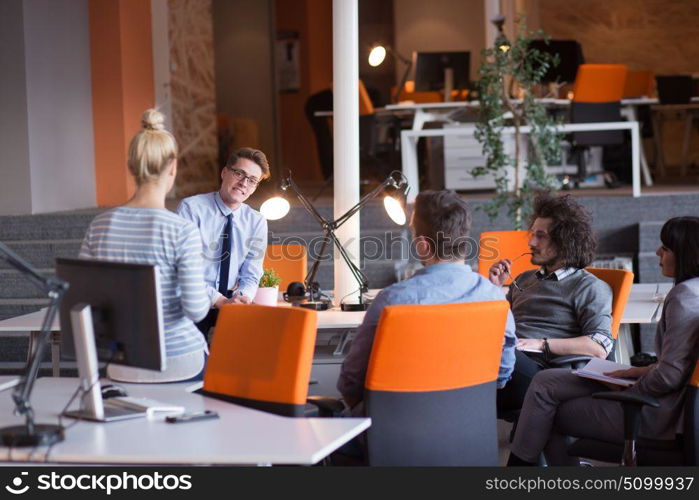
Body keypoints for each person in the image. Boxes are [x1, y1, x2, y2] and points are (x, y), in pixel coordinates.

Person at [508, 216, 699, 466]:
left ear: (686, 254)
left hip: (657, 411)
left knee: (544, 411)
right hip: (662, 393)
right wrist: (637, 370)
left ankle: (519, 471)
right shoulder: (693, 290)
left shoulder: (684, 297)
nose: (657, 252)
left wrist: (629, 388)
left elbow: (670, 375)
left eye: (666, 247)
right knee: (544, 382)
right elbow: (679, 364)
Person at [338, 190, 517, 411]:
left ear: (423, 245)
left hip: (392, 430)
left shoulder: (392, 300)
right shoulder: (494, 299)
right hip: (469, 428)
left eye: (413, 232)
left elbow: (351, 381)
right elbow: (502, 374)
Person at [79, 109, 209, 383]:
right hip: (180, 362)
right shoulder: (182, 230)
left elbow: (85, 302)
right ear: (172, 167)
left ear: (131, 167)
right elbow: (196, 310)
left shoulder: (99, 226)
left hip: (123, 364)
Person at [490, 194, 613, 411]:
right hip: (509, 358)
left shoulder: (589, 287)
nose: (531, 242)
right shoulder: (524, 279)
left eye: (541, 236)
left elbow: (599, 346)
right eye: (532, 235)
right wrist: (494, 289)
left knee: (494, 356)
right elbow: (495, 323)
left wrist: (541, 343)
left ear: (565, 242)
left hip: (540, 371)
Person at [177, 147, 270, 337]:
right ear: (224, 172)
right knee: (196, 364)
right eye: (239, 174)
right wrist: (219, 300)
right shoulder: (191, 209)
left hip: (232, 305)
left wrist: (243, 297)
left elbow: (252, 272)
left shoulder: (256, 221)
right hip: (192, 302)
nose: (244, 183)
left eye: (252, 180)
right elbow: (183, 269)